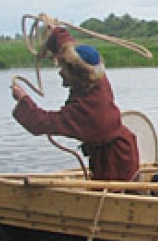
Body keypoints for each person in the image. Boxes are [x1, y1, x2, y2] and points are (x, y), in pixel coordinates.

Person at [11, 26, 139, 181]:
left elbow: (43, 122)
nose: (60, 73)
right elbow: (65, 43)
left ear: (77, 75)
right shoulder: (95, 79)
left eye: (64, 69)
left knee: (113, 194)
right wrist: (55, 30)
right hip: (119, 149)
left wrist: (23, 99)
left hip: (114, 161)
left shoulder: (87, 110)